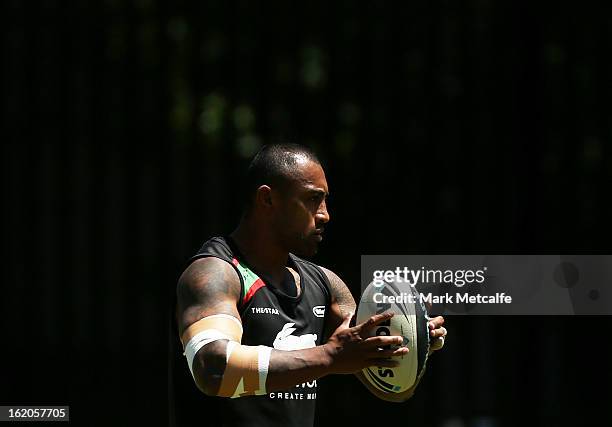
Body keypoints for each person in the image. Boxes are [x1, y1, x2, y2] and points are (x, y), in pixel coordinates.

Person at [175, 144, 447, 427]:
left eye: (325, 201)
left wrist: (409, 343)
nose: (325, 215)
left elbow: (386, 385)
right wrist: (329, 356)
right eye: (312, 200)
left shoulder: (325, 283)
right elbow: (212, 368)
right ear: (267, 199)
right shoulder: (216, 273)